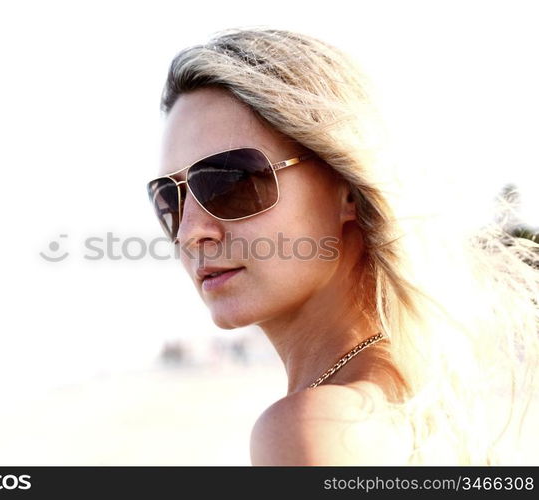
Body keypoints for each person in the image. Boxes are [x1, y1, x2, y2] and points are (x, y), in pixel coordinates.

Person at [145, 28, 539, 465]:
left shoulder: (312, 427)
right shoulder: (414, 402)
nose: (190, 232)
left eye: (228, 181)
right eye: (170, 199)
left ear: (346, 188)